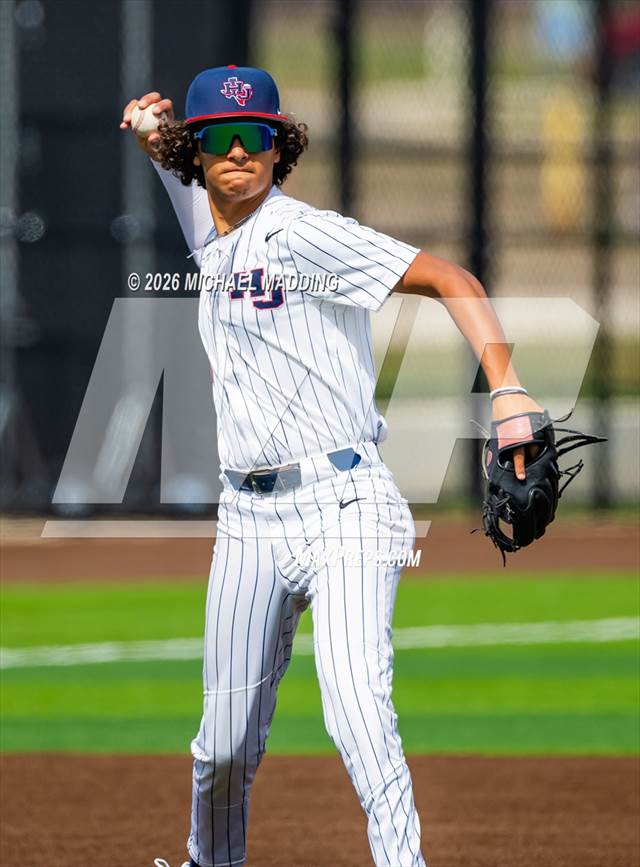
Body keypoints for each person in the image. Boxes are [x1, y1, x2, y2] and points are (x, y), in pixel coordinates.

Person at [121, 65, 542, 867]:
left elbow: (452, 279)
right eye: (222, 139)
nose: (241, 150)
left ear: (282, 149)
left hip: (343, 503)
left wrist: (508, 389)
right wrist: (154, 137)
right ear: (197, 152)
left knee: (358, 714)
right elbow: (195, 207)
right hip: (245, 521)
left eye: (259, 136)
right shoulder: (211, 235)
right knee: (223, 750)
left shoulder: (306, 234)